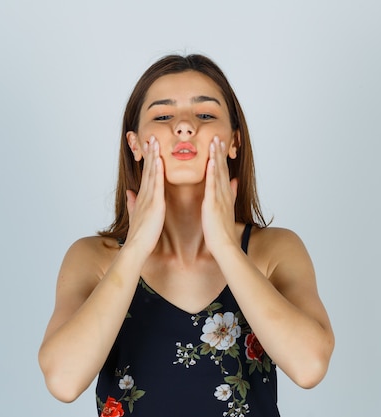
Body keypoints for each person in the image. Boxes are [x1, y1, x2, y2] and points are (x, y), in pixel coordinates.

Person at [38, 54, 334, 417]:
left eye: (205, 114)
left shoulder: (274, 250)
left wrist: (225, 246)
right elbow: (63, 382)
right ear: (134, 144)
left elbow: (309, 367)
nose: (183, 126)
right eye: (163, 116)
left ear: (234, 141)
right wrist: (135, 249)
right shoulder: (93, 257)